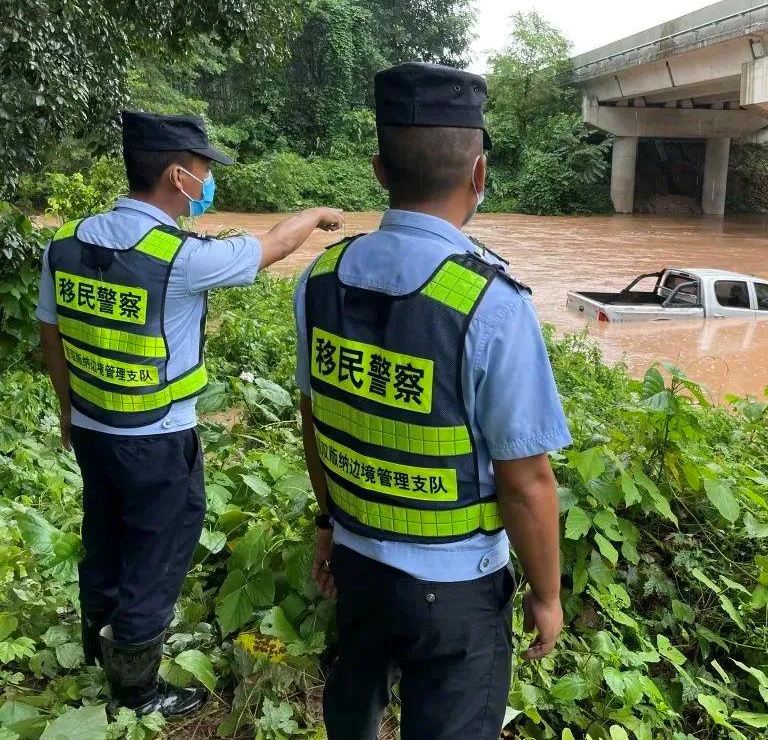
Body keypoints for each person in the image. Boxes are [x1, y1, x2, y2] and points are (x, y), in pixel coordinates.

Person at [35, 110, 346, 719]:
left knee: (105, 534)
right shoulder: (179, 259)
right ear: (178, 176)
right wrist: (313, 216)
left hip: (94, 430)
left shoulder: (66, 242)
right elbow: (270, 248)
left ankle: (96, 636)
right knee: (158, 552)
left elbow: (52, 335)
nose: (208, 181)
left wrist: (67, 410)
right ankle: (135, 687)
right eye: (204, 170)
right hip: (157, 441)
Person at [294, 62, 569, 739]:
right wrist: (548, 596)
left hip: (359, 564)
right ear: (478, 175)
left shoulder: (319, 277)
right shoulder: (491, 305)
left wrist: (330, 523)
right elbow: (527, 481)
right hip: (456, 594)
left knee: (354, 708)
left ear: (380, 168)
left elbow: (315, 420)